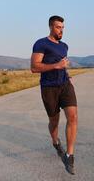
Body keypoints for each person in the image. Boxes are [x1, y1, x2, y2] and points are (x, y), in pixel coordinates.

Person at [31, 15, 78, 175]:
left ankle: (70, 154)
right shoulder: (41, 43)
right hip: (49, 88)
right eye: (58, 27)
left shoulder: (64, 46)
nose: (61, 30)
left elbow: (62, 65)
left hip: (65, 85)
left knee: (72, 117)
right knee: (54, 121)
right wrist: (56, 65)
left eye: (63, 28)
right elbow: (34, 67)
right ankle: (55, 142)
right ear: (51, 27)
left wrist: (66, 72)